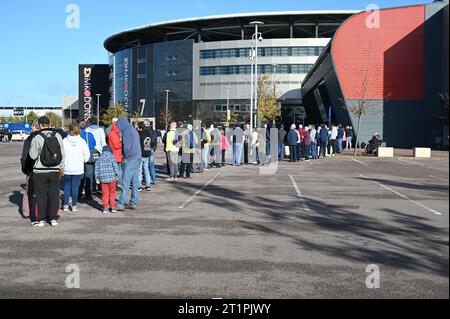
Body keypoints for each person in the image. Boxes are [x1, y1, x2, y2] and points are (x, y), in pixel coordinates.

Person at [29, 116, 65, 227]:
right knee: (54, 194)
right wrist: (61, 166)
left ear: (40, 125)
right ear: (49, 124)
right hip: (55, 169)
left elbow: (32, 155)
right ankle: (53, 218)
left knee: (41, 195)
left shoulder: (37, 137)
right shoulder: (58, 136)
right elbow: (62, 153)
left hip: (40, 171)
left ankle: (41, 220)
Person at [116, 117, 142, 211]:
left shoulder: (126, 131)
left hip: (130, 158)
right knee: (135, 182)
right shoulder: (133, 130)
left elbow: (126, 147)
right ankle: (133, 202)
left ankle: (121, 203)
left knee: (125, 182)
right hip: (138, 157)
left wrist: (125, 158)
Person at [62, 124, 90, 213]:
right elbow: (87, 155)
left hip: (67, 167)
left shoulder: (64, 141)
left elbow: (61, 154)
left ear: (69, 130)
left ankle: (65, 205)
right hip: (77, 167)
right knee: (75, 187)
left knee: (67, 186)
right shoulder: (82, 141)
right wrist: (84, 160)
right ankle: (74, 206)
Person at [20, 121, 40, 220]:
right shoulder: (45, 137)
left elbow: (24, 157)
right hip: (44, 168)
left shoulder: (29, 139)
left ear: (34, 127)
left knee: (28, 192)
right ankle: (44, 211)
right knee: (43, 191)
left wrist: (25, 169)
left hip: (31, 169)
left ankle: (26, 212)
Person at [95, 146, 121, 214]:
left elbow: (96, 169)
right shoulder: (112, 157)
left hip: (103, 179)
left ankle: (105, 208)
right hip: (112, 178)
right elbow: (115, 167)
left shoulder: (99, 158)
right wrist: (117, 175)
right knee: (112, 193)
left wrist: (97, 178)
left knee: (104, 194)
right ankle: (113, 207)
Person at [79, 121, 97, 201]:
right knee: (89, 177)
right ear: (86, 127)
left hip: (80, 158)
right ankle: (88, 195)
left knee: (80, 177)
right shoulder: (89, 134)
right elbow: (94, 144)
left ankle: (79, 194)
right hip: (89, 158)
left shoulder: (77, 135)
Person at [107, 119, 123, 188]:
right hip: (115, 154)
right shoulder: (114, 133)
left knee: (116, 170)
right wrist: (121, 143)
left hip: (115, 154)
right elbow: (116, 145)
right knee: (118, 170)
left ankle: (117, 183)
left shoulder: (113, 132)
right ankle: (118, 184)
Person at [138, 122, 152, 192]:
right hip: (147, 152)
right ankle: (148, 185)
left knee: (139, 170)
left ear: (140, 128)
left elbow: (138, 144)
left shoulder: (140, 134)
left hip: (141, 153)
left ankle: (139, 185)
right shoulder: (148, 133)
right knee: (146, 169)